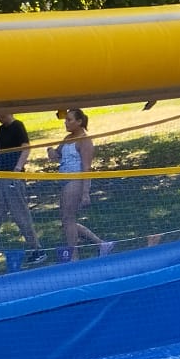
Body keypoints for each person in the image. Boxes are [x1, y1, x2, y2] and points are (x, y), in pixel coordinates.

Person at [0, 111, 47, 272]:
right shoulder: (1, 129)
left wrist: (17, 169)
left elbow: (26, 147)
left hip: (12, 178)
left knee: (20, 215)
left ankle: (37, 250)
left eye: (2, 113)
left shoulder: (17, 126)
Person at [50, 107, 106, 257]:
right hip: (64, 180)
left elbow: (87, 167)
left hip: (75, 181)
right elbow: (57, 155)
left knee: (68, 218)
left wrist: (85, 192)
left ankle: (74, 256)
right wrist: (50, 151)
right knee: (66, 220)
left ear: (79, 121)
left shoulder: (85, 140)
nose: (66, 123)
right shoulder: (67, 139)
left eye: (69, 120)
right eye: (65, 120)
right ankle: (101, 244)